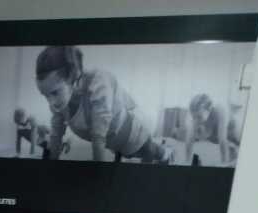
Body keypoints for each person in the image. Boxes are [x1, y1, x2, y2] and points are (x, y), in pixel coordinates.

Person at [35, 45, 172, 164]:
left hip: (132, 132)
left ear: (72, 77)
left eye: (54, 93)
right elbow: (56, 134)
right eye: (45, 95)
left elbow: (98, 137)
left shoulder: (97, 83)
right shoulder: (59, 104)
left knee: (150, 152)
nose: (51, 102)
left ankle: (166, 153)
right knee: (129, 155)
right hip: (115, 142)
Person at [184, 93, 241, 166]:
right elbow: (189, 141)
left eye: (199, 117)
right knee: (196, 128)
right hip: (214, 131)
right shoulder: (193, 116)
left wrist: (223, 164)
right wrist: (187, 161)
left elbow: (222, 141)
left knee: (235, 143)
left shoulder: (220, 110)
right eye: (194, 117)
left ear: (209, 109)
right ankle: (232, 152)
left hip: (231, 127)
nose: (196, 120)